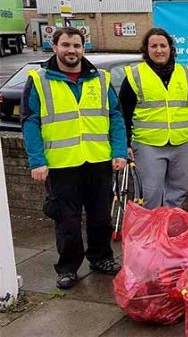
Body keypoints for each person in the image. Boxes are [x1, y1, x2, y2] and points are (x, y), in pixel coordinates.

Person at [21, 27, 127, 289]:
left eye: (77, 45)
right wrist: (37, 160)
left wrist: (119, 151)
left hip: (97, 160)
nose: (71, 50)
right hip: (60, 163)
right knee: (67, 220)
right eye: (66, 45)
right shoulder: (39, 79)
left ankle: (101, 257)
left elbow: (115, 116)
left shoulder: (100, 79)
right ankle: (67, 267)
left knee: (101, 217)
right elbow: (30, 121)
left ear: (84, 48)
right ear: (54, 47)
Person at [119, 28, 188, 210]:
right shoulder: (135, 75)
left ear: (170, 48)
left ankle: (169, 235)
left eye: (163, 45)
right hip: (147, 145)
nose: (159, 50)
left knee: (178, 193)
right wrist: (125, 143)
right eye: (154, 46)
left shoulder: (186, 73)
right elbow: (124, 113)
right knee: (150, 194)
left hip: (182, 143)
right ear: (146, 49)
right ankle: (150, 236)